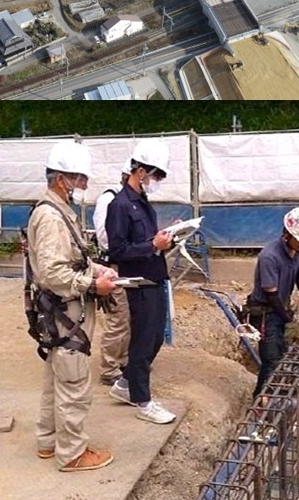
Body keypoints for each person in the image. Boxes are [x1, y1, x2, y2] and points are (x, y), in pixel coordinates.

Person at [26, 140, 118, 472]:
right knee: (74, 384)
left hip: (60, 314)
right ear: (62, 178)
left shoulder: (59, 211)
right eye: (79, 179)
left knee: (56, 380)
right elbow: (52, 273)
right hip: (66, 314)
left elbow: (72, 260)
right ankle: (72, 454)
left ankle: (49, 442)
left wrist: (97, 270)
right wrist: (93, 284)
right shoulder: (51, 217)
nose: (84, 186)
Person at [105, 139, 176, 425]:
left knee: (156, 337)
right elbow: (118, 251)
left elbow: (147, 241)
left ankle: (124, 384)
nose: (157, 181)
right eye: (156, 175)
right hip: (139, 281)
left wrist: (164, 242)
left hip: (155, 276)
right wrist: (152, 246)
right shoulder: (120, 205)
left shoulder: (143, 203)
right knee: (143, 341)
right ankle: (143, 401)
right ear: (141, 170)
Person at [246, 206, 299, 399]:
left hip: (281, 308)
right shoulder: (269, 256)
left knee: (285, 355)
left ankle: (280, 397)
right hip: (265, 313)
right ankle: (260, 401)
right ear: (287, 234)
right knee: (271, 360)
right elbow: (272, 295)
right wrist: (289, 321)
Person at [92, 158, 132, 386]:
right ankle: (109, 367)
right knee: (118, 318)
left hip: (131, 264)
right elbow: (105, 237)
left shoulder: (132, 199)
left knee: (128, 317)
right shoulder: (109, 199)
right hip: (114, 266)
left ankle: (123, 359)